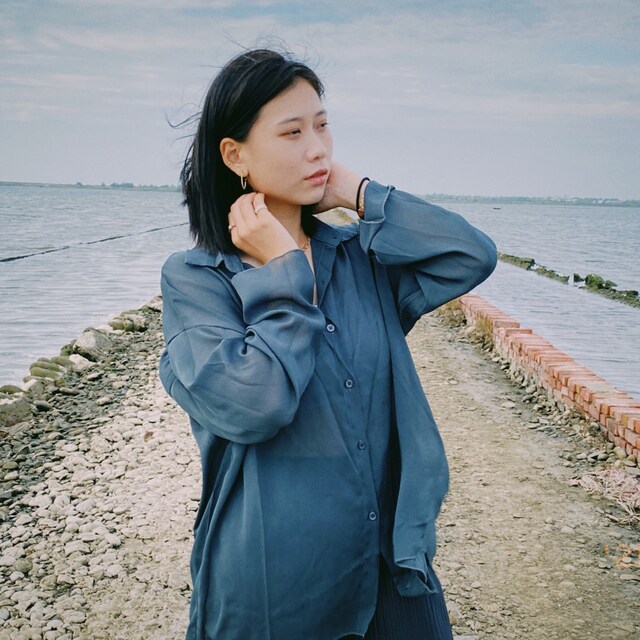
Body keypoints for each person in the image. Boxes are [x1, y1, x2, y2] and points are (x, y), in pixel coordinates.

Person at [159, 47, 497, 640]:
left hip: (391, 570)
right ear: (235, 155)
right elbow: (255, 405)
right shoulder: (198, 282)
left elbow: (470, 255)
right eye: (292, 132)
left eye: (322, 125)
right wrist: (283, 273)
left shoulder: (358, 260)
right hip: (278, 588)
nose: (317, 148)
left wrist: (360, 193)